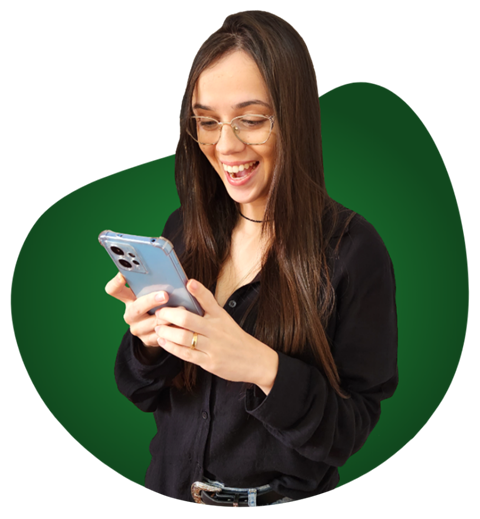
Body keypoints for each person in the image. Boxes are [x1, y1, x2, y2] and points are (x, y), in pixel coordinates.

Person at [106, 10, 398, 507]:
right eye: (207, 122)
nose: (225, 146)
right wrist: (148, 345)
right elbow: (141, 393)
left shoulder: (353, 250)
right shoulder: (184, 228)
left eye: (252, 119)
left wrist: (263, 367)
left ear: (295, 118)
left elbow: (348, 433)